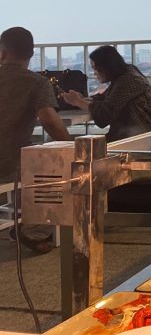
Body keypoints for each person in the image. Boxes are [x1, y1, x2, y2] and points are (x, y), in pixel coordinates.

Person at [0, 26, 71, 254]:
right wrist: (73, 146)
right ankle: (34, 230)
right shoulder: (37, 83)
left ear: (2, 52)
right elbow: (50, 122)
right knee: (50, 164)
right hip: (9, 163)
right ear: (31, 54)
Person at [60, 45, 151, 142]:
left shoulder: (128, 81)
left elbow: (104, 115)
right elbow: (108, 97)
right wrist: (84, 99)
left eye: (95, 69)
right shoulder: (129, 72)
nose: (94, 73)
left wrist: (78, 102)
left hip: (135, 139)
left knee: (72, 143)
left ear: (106, 67)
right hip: (141, 135)